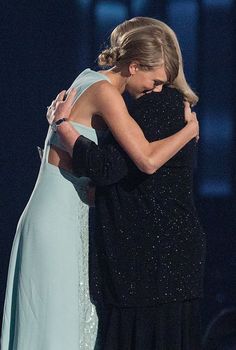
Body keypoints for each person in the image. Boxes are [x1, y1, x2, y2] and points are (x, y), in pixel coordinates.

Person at [0, 21, 198, 350]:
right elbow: (146, 159)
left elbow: (87, 165)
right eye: (155, 80)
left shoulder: (85, 78)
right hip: (57, 223)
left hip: (55, 215)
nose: (157, 90)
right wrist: (188, 132)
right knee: (56, 327)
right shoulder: (106, 93)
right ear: (134, 66)